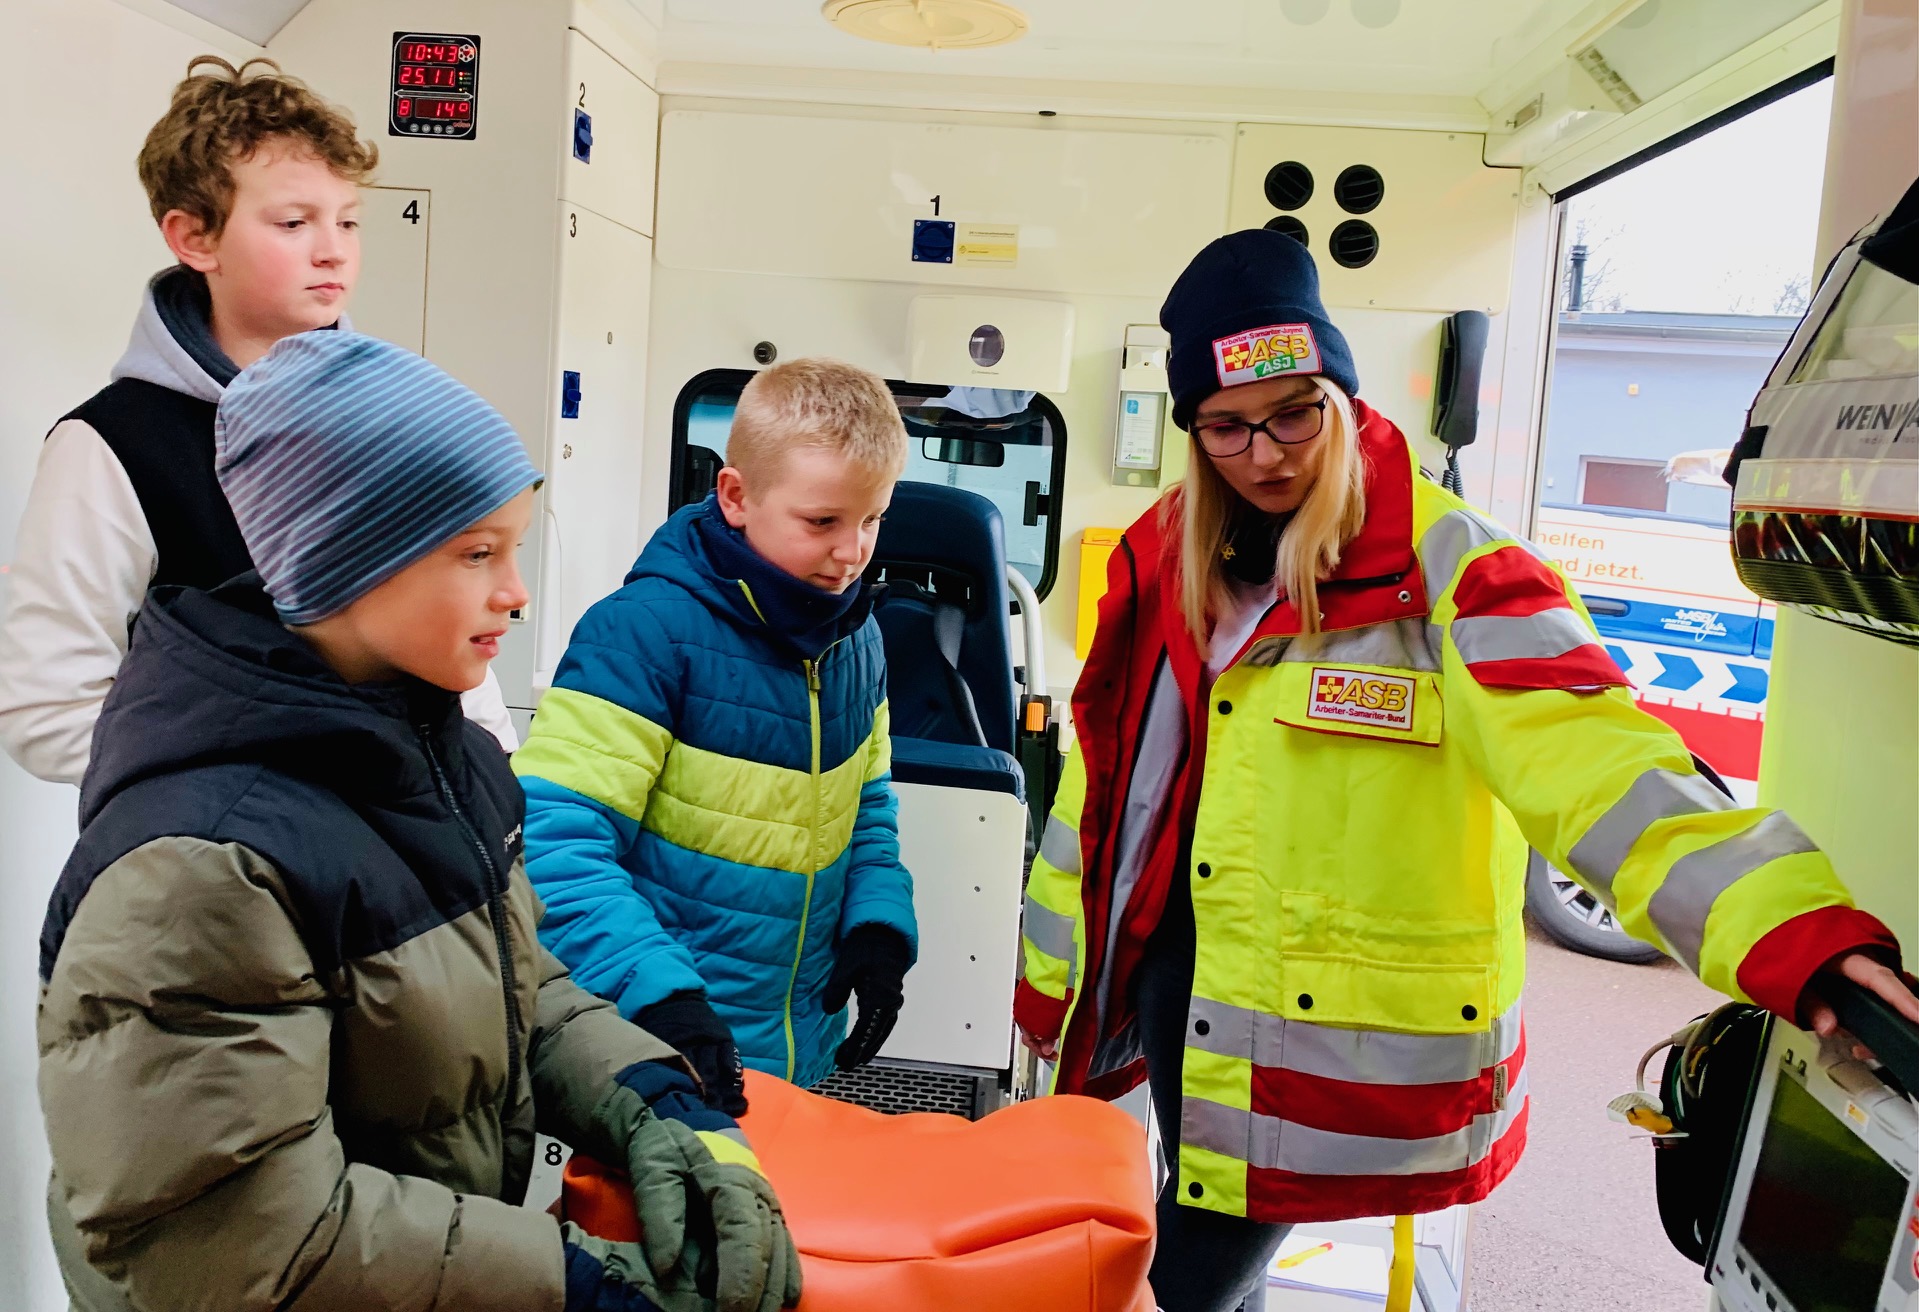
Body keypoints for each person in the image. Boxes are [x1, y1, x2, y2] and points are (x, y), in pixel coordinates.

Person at [1013, 229, 1919, 1312]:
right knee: (1203, 1233)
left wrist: (1790, 932)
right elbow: (1107, 786)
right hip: (1176, 981)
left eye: (1292, 412)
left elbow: (1598, 765)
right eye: (1225, 428)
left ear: (1338, 398)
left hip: (1311, 1023)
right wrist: (1050, 977)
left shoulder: (1458, 573)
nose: (1263, 454)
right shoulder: (1167, 555)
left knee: (1177, 1282)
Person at [36, 332, 801, 1312]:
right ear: (344, 566)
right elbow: (236, 1240)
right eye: (476, 552)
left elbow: (512, 983)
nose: (515, 593)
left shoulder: (441, 758)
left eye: (513, 548)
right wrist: (569, 1286)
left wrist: (653, 1100)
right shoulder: (203, 864)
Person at [0, 55, 516, 786]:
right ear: (195, 239)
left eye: (346, 221)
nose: (332, 248)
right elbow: (47, 711)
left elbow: (456, 652)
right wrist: (284, 771)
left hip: (411, 840)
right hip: (225, 867)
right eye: (293, 222)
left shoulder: (391, 422)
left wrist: (492, 782)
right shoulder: (110, 447)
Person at [514, 359, 918, 1113]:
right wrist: (657, 996)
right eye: (822, 521)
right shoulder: (642, 636)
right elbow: (552, 841)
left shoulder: (855, 639)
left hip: (798, 1051)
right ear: (735, 496)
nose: (851, 552)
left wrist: (877, 930)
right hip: (666, 1048)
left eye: (871, 521)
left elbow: (868, 807)